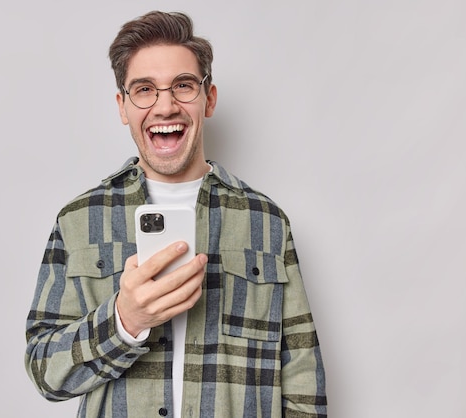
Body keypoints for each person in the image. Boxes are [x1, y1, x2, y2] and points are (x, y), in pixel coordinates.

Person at [25, 10, 327, 418]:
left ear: (209, 98)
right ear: (122, 106)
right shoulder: (78, 220)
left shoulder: (267, 222)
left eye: (183, 86)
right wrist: (123, 321)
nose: (165, 106)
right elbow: (44, 369)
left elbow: (303, 377)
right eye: (144, 89)